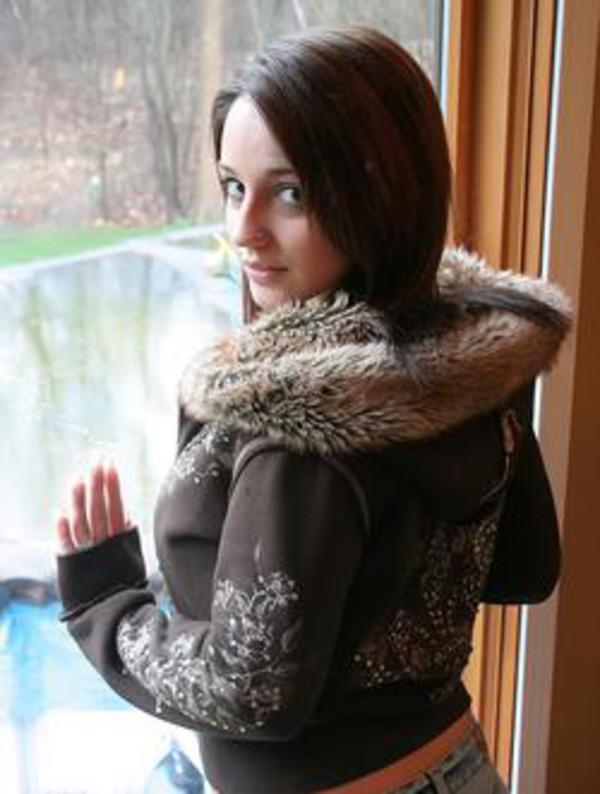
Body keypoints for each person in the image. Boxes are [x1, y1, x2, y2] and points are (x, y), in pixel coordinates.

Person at [55, 26, 571, 794]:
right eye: (234, 186)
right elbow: (525, 569)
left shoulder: (302, 426)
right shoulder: (468, 355)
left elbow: (248, 694)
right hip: (459, 768)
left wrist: (104, 604)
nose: (242, 230)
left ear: (379, 194)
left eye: (290, 192)